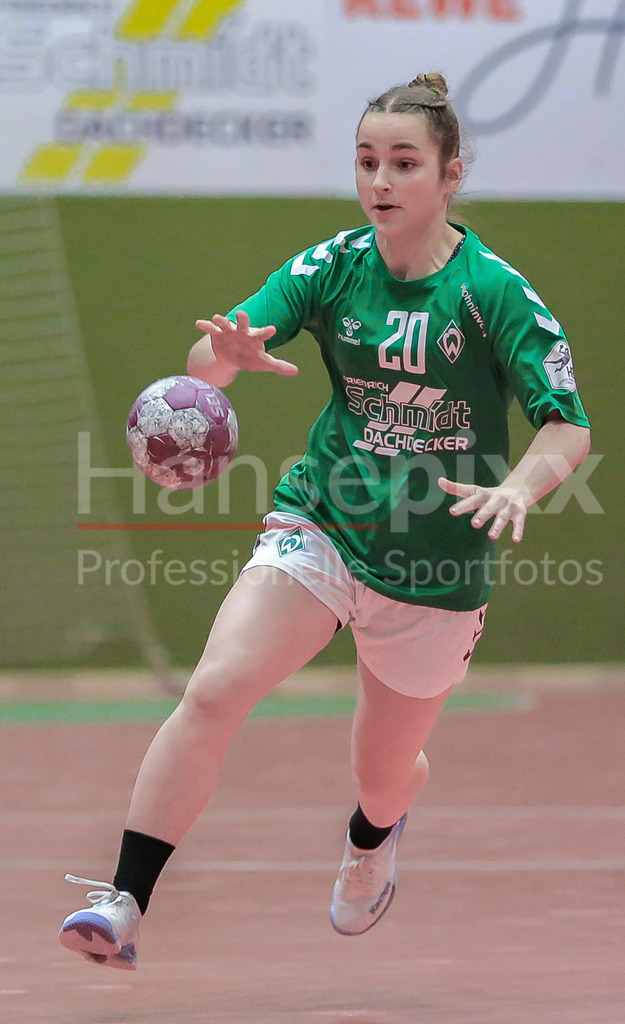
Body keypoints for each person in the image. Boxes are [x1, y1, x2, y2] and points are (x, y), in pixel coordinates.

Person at [58, 73, 591, 968]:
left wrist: (518, 489)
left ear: (450, 173)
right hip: (323, 521)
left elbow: (566, 424)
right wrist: (223, 356)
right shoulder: (330, 265)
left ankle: (372, 839)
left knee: (381, 775)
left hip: (435, 565)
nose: (380, 180)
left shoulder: (492, 292)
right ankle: (124, 902)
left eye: (404, 163)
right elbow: (210, 357)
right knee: (217, 687)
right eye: (367, 161)